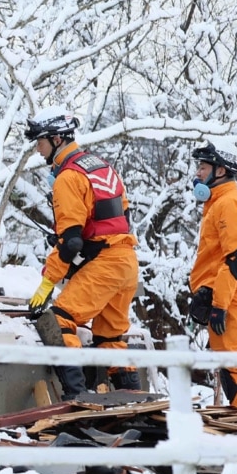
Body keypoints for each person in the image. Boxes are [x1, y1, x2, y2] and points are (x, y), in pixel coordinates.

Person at [24, 107, 141, 400]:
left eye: (39, 142)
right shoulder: (100, 165)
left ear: (57, 139)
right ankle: (133, 402)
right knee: (110, 337)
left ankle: (77, 397)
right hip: (126, 261)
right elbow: (115, 218)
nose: (37, 150)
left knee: (58, 320)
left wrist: (47, 284)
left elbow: (71, 243)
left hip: (105, 265)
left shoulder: (67, 177)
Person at [187, 142, 237, 409]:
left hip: (234, 302)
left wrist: (219, 305)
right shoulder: (218, 202)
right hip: (227, 299)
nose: (197, 173)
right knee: (232, 371)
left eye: (203, 167)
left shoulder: (229, 203)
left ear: (220, 170)